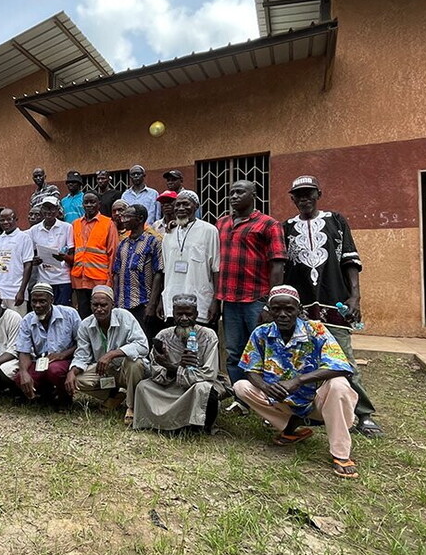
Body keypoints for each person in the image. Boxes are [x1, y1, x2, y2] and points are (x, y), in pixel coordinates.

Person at [283, 175, 382, 437]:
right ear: (292, 198)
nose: (304, 199)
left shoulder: (336, 221)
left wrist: (355, 297)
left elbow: (350, 260)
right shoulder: (287, 228)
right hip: (301, 307)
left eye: (309, 193)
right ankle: (312, 411)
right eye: (299, 195)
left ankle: (363, 413)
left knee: (343, 360)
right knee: (303, 361)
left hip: (335, 304)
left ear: (319, 194)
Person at [233, 285, 360, 479]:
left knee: (339, 384)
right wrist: (266, 387)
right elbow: (251, 370)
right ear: (269, 309)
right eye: (276, 309)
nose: (282, 314)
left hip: (317, 401)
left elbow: (342, 366)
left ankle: (341, 454)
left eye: (289, 309)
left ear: (299, 310)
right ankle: (292, 426)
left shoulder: (315, 330)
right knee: (241, 387)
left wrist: (298, 381)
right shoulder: (261, 333)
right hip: (282, 401)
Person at [216, 180, 286, 392]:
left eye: (240, 192)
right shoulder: (221, 224)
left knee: (264, 350)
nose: (234, 196)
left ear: (253, 194)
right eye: (231, 193)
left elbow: (278, 264)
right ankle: (240, 396)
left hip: (256, 299)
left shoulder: (269, 224)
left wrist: (270, 303)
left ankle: (267, 396)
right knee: (234, 351)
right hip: (230, 301)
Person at [133, 294, 224, 432]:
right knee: (143, 387)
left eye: (188, 314)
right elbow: (155, 370)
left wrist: (174, 368)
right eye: (179, 314)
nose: (184, 318)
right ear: (173, 315)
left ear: (196, 315)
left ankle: (196, 426)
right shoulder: (163, 335)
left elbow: (209, 373)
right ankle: (154, 423)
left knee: (204, 389)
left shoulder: (208, 336)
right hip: (169, 385)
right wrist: (168, 369)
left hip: (194, 385)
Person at [66, 286, 150, 424]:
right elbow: (82, 355)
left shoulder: (124, 316)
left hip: (126, 370)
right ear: (90, 305)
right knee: (78, 379)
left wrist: (112, 354)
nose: (99, 309)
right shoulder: (86, 325)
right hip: (106, 371)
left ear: (112, 305)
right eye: (95, 305)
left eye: (104, 305)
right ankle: (115, 395)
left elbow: (142, 346)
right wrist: (72, 371)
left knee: (135, 363)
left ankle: (132, 407)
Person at [155, 190, 219, 330]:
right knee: (174, 346)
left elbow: (216, 269)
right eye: (177, 205)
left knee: (199, 345)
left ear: (196, 206)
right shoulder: (169, 234)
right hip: (172, 302)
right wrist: (161, 300)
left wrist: (215, 301)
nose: (181, 208)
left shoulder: (209, 230)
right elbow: (166, 271)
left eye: (185, 204)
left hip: (200, 303)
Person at [14, 283, 79, 404]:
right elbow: (24, 351)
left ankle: (64, 398)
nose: (37, 305)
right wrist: (23, 372)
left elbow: (81, 343)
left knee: (54, 370)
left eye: (42, 301)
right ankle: (45, 395)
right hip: (41, 361)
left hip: (65, 360)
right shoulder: (27, 320)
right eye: (34, 301)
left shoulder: (69, 314)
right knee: (19, 377)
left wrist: (63, 355)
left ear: (51, 300)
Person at [112, 204, 163, 336]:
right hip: (123, 305)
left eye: (128, 216)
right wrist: (116, 301)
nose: (123, 220)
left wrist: (152, 305)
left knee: (144, 342)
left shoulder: (153, 242)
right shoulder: (122, 244)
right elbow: (116, 274)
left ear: (140, 219)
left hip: (142, 304)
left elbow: (158, 273)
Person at [67, 192, 117, 319]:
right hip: (79, 280)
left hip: (99, 280)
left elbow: (113, 253)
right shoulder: (75, 224)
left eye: (92, 202)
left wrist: (110, 280)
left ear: (99, 204)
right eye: (86, 202)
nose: (89, 205)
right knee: (83, 317)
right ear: (82, 204)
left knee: (101, 316)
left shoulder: (108, 223)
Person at [0, 208, 35, 315]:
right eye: (2, 220)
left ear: (16, 219)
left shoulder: (24, 238)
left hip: (15, 292)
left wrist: (22, 291)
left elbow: (28, 265)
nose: (6, 222)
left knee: (18, 326)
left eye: (9, 219)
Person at [30, 196, 74, 305]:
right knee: (45, 311)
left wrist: (63, 257)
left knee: (62, 311)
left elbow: (72, 254)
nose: (49, 212)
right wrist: (34, 261)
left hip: (63, 279)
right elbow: (30, 255)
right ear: (41, 210)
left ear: (58, 210)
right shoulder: (34, 230)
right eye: (46, 208)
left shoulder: (67, 227)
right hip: (43, 280)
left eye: (52, 208)